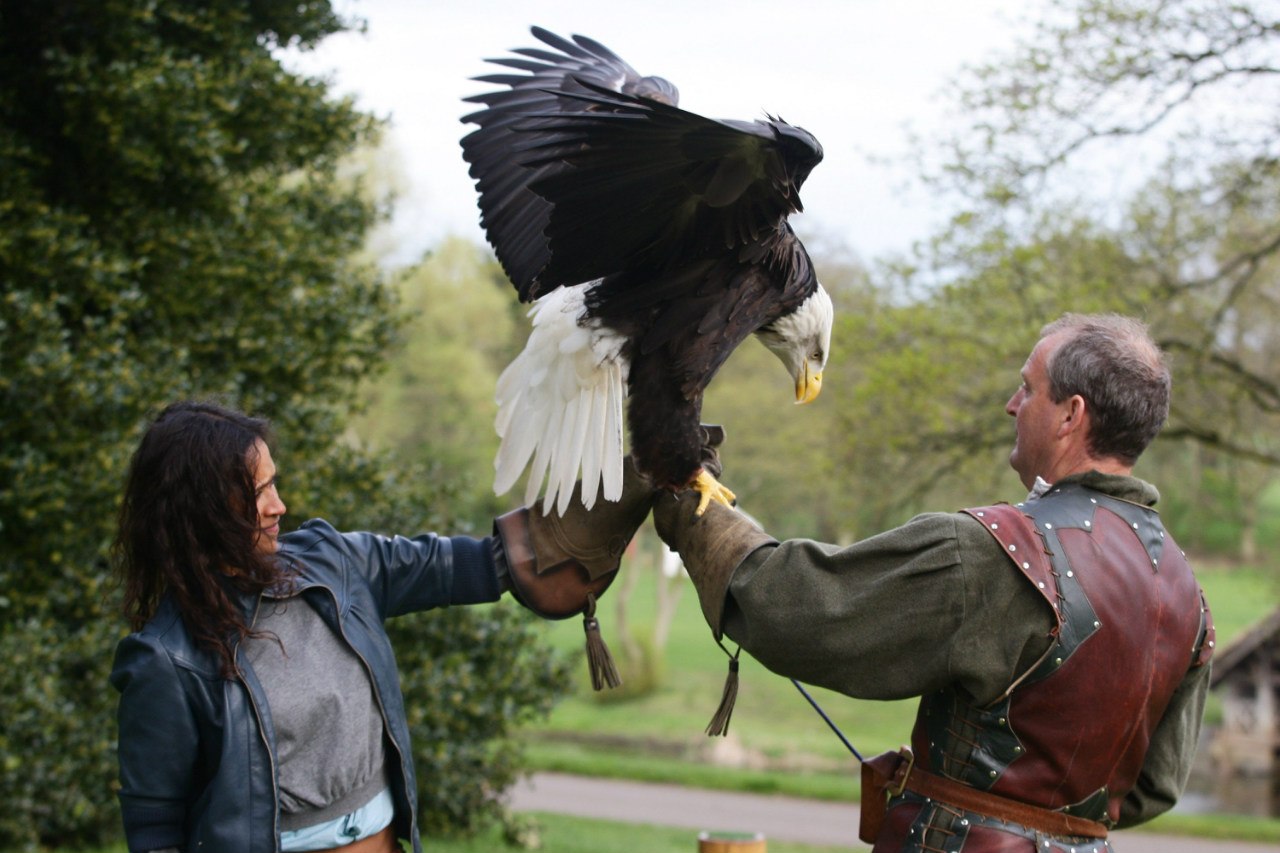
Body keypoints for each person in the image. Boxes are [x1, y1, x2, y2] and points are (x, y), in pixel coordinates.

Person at [653, 314, 1215, 853]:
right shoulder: (1186, 590)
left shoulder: (998, 552)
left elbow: (795, 610)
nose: (1011, 405)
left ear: (1071, 414)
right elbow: (1153, 785)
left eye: (1027, 388)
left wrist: (689, 500)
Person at [109, 400, 650, 853]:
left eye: (274, 484)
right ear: (202, 509)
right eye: (257, 493)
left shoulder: (332, 563)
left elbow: (466, 566)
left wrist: (633, 486)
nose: (279, 505)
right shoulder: (165, 659)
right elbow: (156, 828)